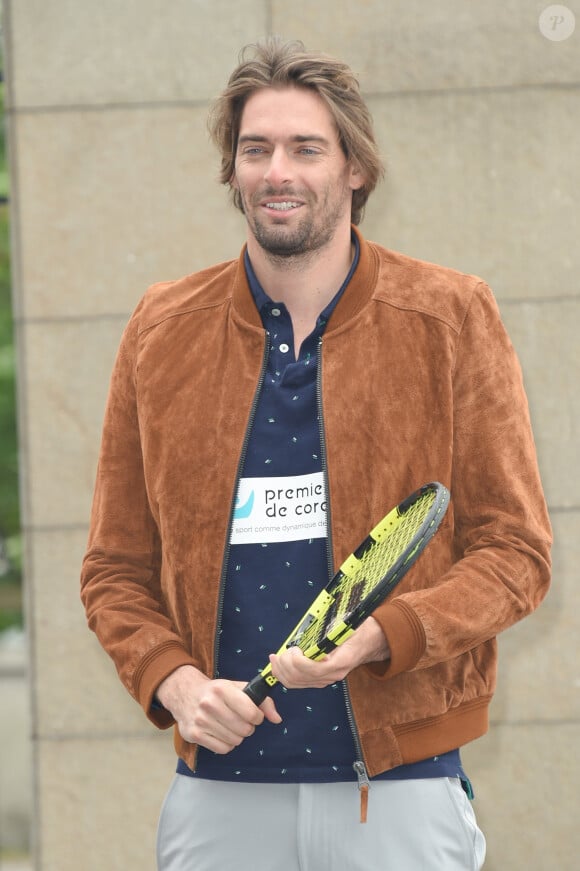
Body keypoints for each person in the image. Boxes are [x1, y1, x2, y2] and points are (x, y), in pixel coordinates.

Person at [81, 38, 552, 871]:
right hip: (219, 795)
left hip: (399, 792)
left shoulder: (451, 316)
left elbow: (515, 553)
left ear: (356, 169)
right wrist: (178, 686)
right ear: (232, 172)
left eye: (306, 148)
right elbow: (115, 569)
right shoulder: (161, 330)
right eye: (255, 150)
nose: (277, 171)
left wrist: (379, 636)